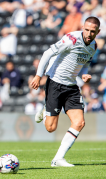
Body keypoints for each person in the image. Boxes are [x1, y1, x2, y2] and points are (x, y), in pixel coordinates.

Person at [31, 17, 100, 167]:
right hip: (55, 83)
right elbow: (47, 53)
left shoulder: (94, 46)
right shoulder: (71, 39)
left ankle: (58, 159)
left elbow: (86, 62)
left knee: (79, 122)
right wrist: (38, 75)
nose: (88, 33)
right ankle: (46, 108)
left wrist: (84, 74)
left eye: (92, 31)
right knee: (50, 128)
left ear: (98, 32)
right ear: (83, 27)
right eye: (86, 30)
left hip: (71, 86)